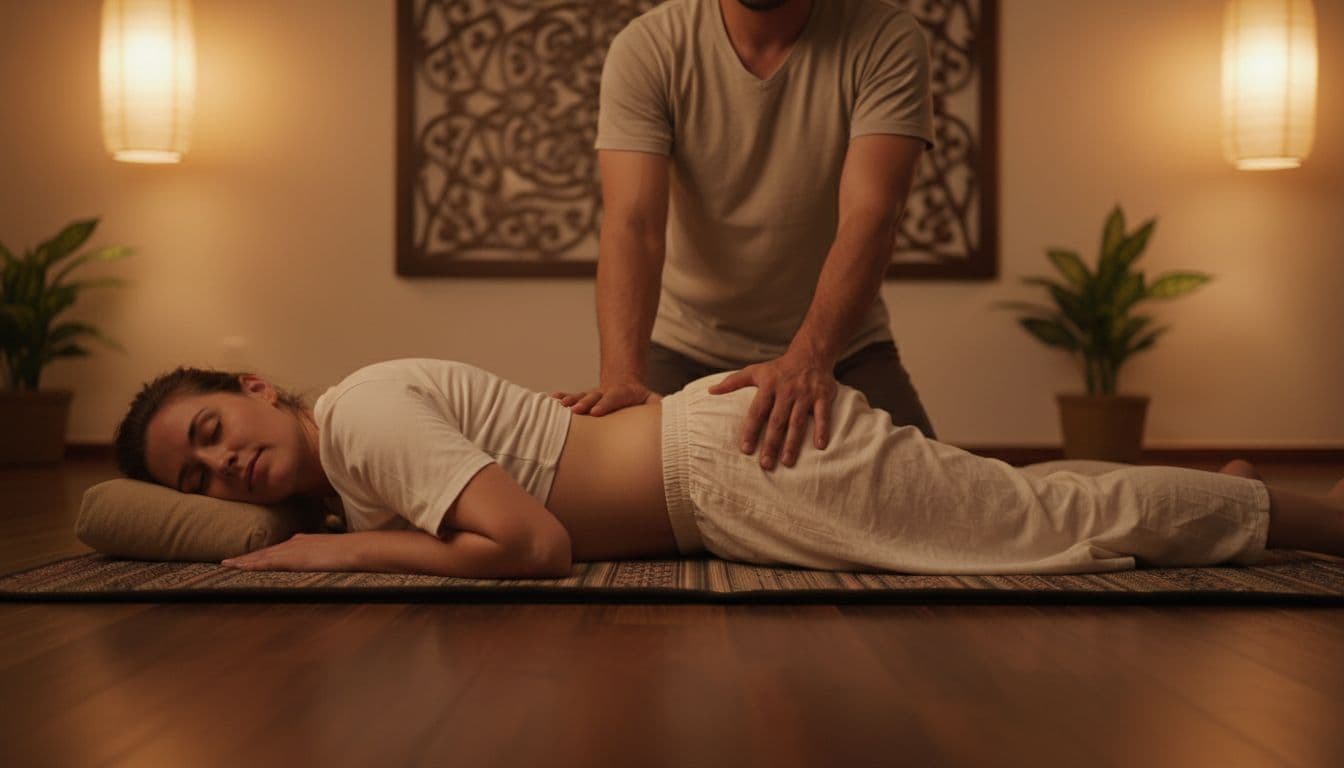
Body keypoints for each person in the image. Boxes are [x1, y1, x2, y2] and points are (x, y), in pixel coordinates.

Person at [113, 358, 1344, 578]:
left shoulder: (362, 418)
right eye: (199, 477)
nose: (224, 467)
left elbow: (533, 550)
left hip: (741, 472)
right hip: (713, 466)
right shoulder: (360, 436)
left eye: (212, 430)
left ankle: (1298, 509)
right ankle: (1234, 483)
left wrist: (341, 547)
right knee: (1018, 504)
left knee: (1047, 533)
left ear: (254, 387)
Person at [555, 0, 939, 473]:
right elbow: (634, 225)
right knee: (621, 490)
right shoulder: (650, 46)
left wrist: (809, 358)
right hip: (684, 347)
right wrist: (622, 377)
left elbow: (873, 214)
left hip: (844, 348)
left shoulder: (885, 38)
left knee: (933, 497)